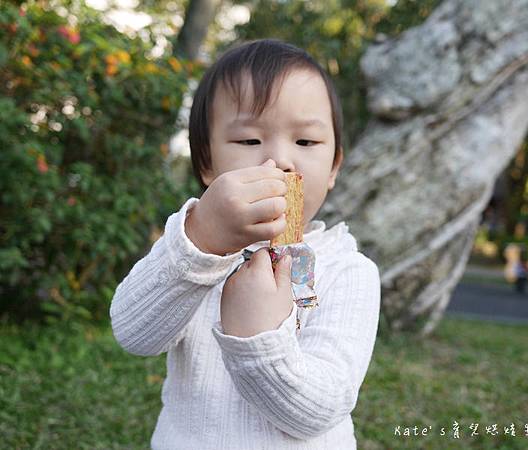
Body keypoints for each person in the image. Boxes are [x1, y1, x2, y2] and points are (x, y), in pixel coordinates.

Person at [109, 38, 381, 450]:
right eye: (249, 141)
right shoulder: (192, 249)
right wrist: (202, 241)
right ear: (206, 162)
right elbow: (134, 334)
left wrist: (258, 337)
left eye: (306, 142)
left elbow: (322, 411)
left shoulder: (348, 270)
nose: (279, 161)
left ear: (333, 167)